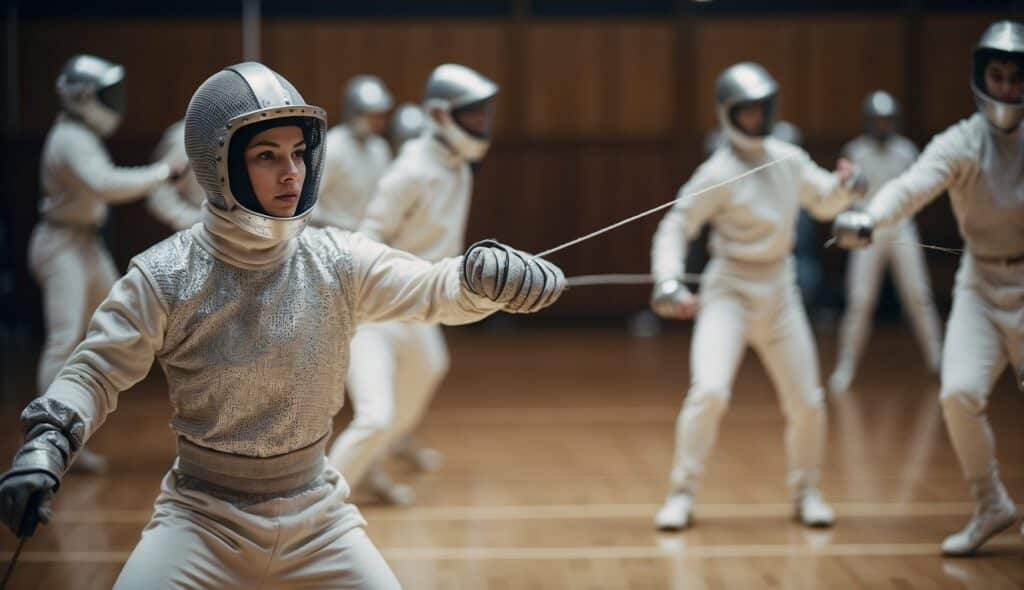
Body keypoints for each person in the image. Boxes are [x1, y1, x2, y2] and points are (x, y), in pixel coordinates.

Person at [0, 61, 564, 588]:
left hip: (318, 516)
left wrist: (484, 278)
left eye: (298, 153)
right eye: (267, 156)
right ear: (219, 166)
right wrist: (49, 440)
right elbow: (96, 368)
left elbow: (433, 289)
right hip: (199, 519)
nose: (291, 172)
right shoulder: (167, 273)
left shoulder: (337, 259)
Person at [833, 20, 1023, 556]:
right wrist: (869, 217)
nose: (1006, 88)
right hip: (979, 284)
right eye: (998, 76)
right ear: (981, 78)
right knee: (959, 394)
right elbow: (912, 185)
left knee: (919, 306)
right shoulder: (963, 141)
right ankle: (992, 505)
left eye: (1015, 78)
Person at [650, 62, 864, 531]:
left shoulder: (788, 158)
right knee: (708, 392)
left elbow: (823, 201)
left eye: (763, 109)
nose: (757, 118)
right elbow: (675, 225)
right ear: (729, 114)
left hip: (780, 293)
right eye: (747, 111)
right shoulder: (716, 172)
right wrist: (667, 280)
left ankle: (807, 490)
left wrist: (845, 188)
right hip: (727, 291)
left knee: (807, 400)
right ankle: (681, 492)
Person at [327, 64, 500, 506]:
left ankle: (370, 466)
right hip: (377, 310)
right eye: (473, 115)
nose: (482, 124)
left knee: (428, 369)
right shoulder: (410, 171)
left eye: (484, 115)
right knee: (375, 416)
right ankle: (311, 508)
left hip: (420, 310)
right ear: (441, 116)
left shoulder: (456, 166)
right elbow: (368, 239)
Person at [29, 54, 181, 473]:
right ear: (82, 97)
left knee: (121, 324)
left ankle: (72, 433)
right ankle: (49, 440)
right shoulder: (69, 139)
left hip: (83, 243)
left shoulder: (79, 135)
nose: (115, 102)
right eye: (106, 94)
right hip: (61, 243)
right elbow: (105, 183)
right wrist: (163, 172)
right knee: (64, 341)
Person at [828, 90, 944, 395]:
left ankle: (937, 362)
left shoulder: (906, 151)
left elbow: (917, 191)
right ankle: (846, 365)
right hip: (867, 232)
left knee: (919, 296)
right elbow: (846, 194)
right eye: (877, 121)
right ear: (868, 122)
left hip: (901, 229)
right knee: (860, 300)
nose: (882, 126)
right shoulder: (855, 151)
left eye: (887, 120)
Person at [312, 75, 394, 232]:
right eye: (372, 116)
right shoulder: (332, 147)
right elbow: (311, 202)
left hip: (368, 235)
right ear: (354, 113)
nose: (379, 122)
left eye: (381, 116)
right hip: (335, 236)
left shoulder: (380, 148)